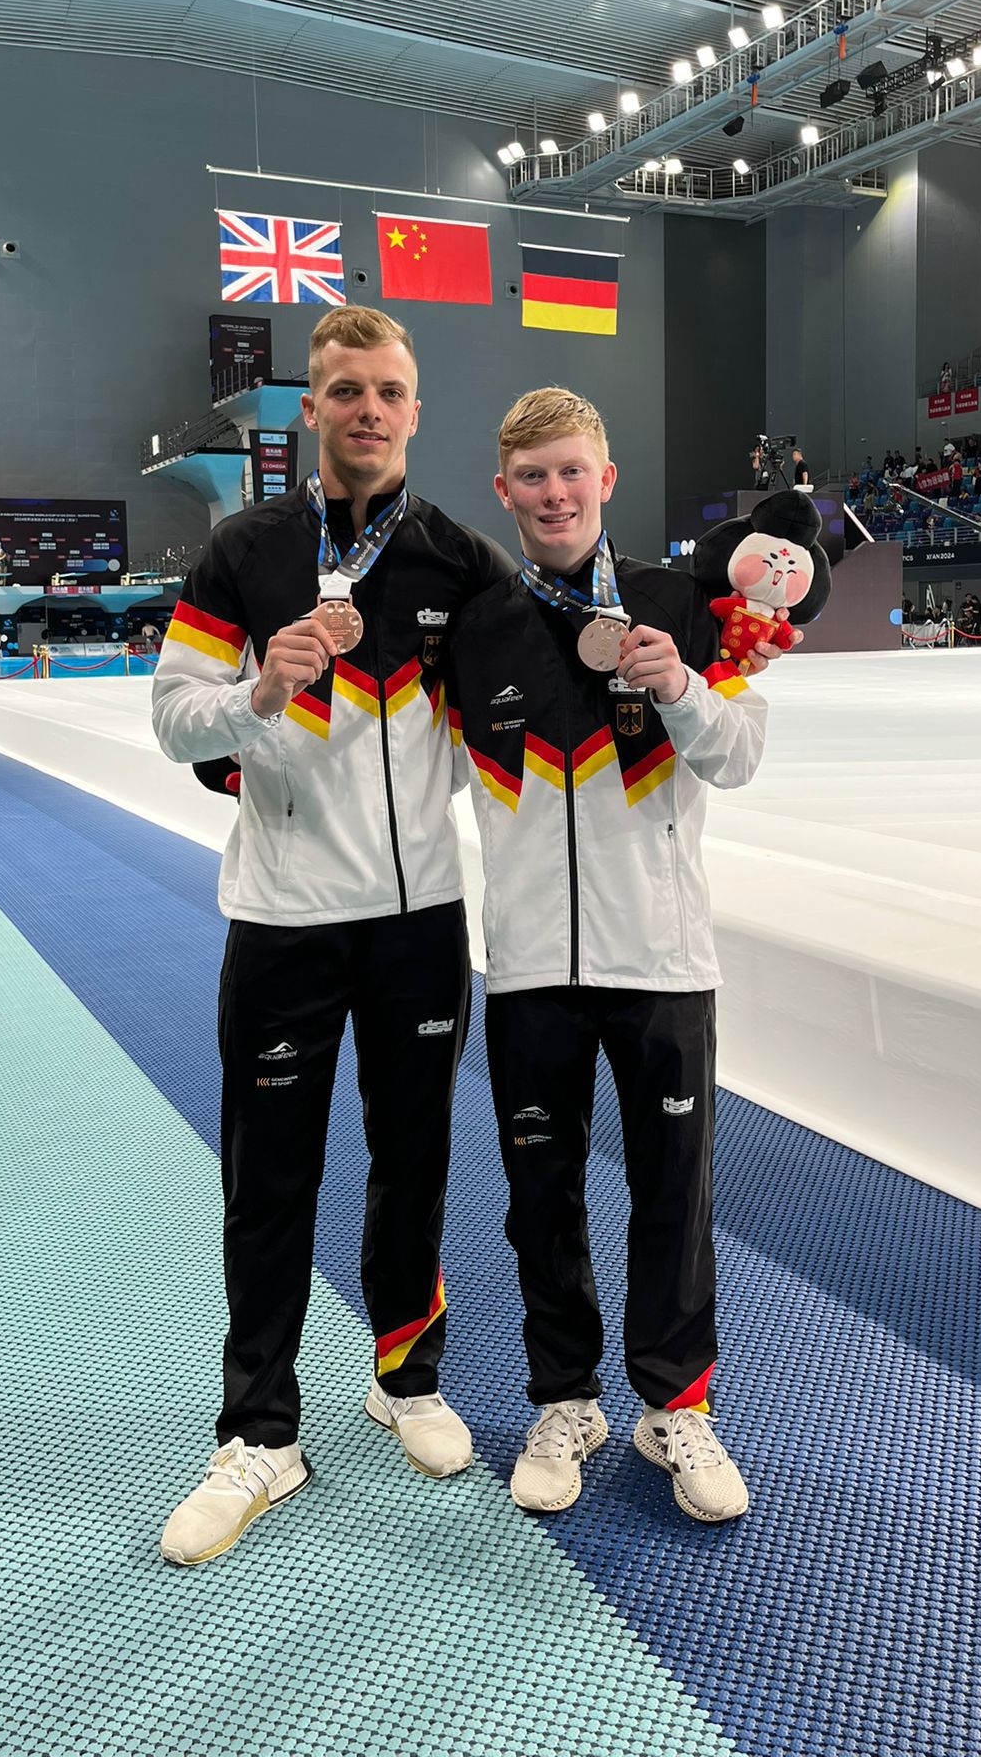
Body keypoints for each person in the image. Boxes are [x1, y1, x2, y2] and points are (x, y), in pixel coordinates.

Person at [149, 305, 512, 1568]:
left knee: (413, 1160)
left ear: (417, 411)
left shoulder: (463, 561)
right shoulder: (242, 550)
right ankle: (259, 1430)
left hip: (417, 926)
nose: (367, 409)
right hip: (285, 919)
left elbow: (518, 721)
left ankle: (405, 1377)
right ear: (312, 407)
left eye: (389, 391)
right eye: (345, 388)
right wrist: (260, 691)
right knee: (271, 1178)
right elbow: (174, 721)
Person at [445, 387, 775, 1525]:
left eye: (570, 470)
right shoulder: (477, 625)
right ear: (504, 489)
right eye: (531, 476)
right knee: (542, 1196)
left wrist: (677, 682)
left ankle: (675, 1401)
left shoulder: (683, 603)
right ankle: (566, 1397)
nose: (552, 492)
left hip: (664, 961)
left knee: (672, 1193)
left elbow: (736, 757)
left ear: (607, 476)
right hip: (532, 963)